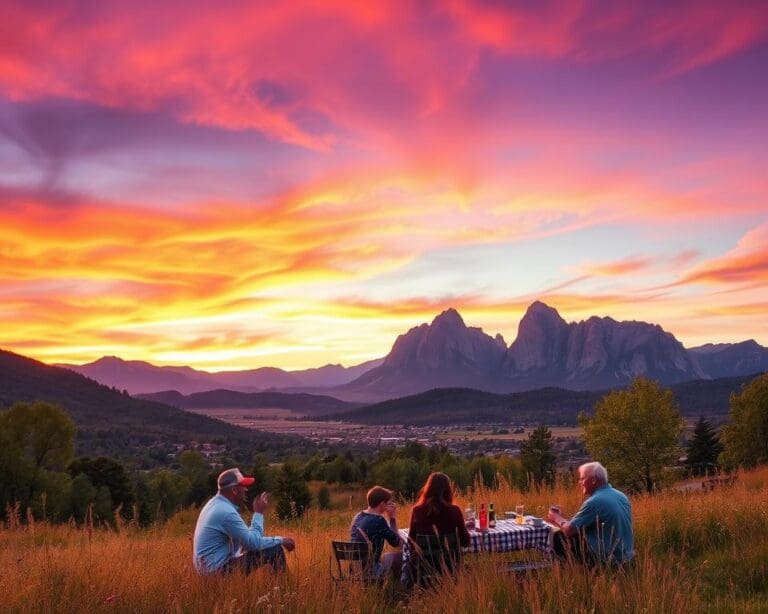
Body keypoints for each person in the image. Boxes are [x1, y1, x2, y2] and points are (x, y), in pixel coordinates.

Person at [193, 467, 296, 574]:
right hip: (216, 573)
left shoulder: (214, 504)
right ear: (234, 490)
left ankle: (275, 587)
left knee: (260, 547)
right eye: (243, 486)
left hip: (208, 571)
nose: (246, 489)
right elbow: (253, 543)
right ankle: (284, 588)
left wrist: (258, 514)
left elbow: (250, 540)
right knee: (274, 549)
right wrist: (280, 539)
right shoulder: (226, 512)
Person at [547, 461, 634, 566]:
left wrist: (556, 517)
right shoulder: (620, 495)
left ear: (593, 480)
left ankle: (575, 571)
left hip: (607, 558)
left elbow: (569, 531)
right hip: (625, 555)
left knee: (557, 536)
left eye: (582, 478)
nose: (580, 482)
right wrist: (563, 519)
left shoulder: (595, 501)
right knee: (575, 534)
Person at [403, 472, 471, 586]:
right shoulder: (454, 511)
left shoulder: (417, 511)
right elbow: (465, 542)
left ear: (427, 489)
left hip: (423, 565)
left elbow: (411, 541)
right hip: (450, 564)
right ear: (448, 490)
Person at [349, 485, 402, 580]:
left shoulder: (357, 516)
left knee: (386, 557)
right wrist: (392, 518)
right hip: (372, 570)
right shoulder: (379, 520)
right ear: (382, 504)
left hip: (355, 569)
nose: (389, 506)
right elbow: (396, 543)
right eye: (388, 503)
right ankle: (394, 591)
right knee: (398, 558)